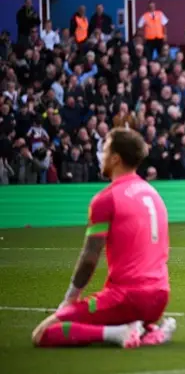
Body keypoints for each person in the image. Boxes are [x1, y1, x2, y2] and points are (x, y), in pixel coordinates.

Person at [31, 128, 176, 348]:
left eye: (105, 149)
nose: (101, 155)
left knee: (43, 333)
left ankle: (117, 333)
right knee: (130, 311)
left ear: (116, 158)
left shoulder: (106, 199)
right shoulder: (153, 194)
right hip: (159, 297)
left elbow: (90, 257)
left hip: (127, 298)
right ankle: (149, 329)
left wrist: (71, 298)